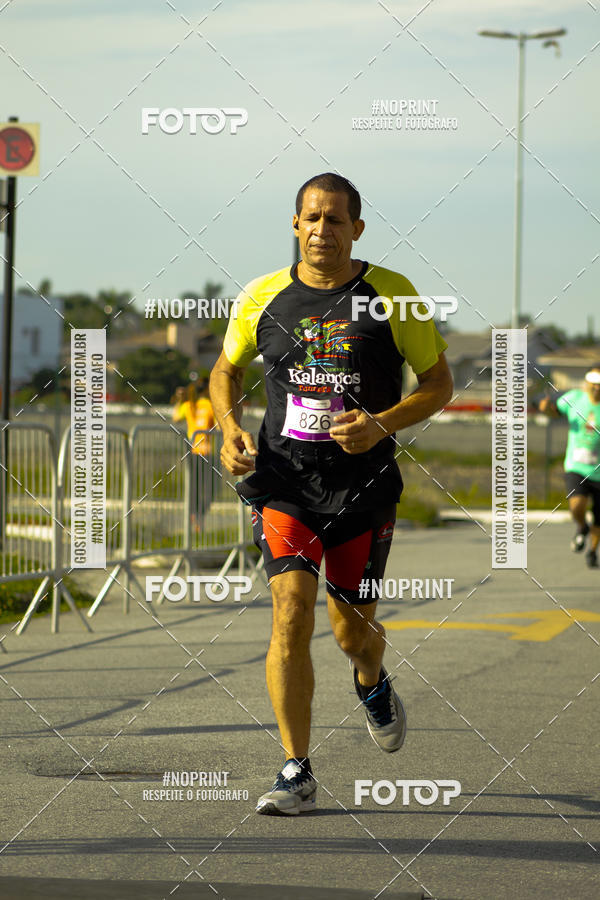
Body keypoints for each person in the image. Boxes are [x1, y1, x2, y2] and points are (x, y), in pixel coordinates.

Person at [209, 173, 453, 816]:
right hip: (284, 484)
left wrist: (380, 424)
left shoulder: (394, 295)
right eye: (312, 218)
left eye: (336, 220)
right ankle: (297, 769)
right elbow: (225, 369)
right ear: (296, 224)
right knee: (290, 612)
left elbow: (438, 384)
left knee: (353, 634)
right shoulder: (262, 295)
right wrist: (229, 428)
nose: (323, 231)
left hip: (362, 489)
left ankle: (371, 680)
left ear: (357, 229)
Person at [539, 364, 600, 567]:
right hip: (577, 467)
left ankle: (592, 551)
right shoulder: (574, 398)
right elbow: (554, 412)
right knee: (576, 505)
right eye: (594, 383)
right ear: (587, 383)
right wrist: (546, 408)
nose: (597, 388)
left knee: (599, 518)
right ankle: (582, 526)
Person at [173, 380, 216, 530]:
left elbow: (176, 418)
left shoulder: (188, 405)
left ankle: (195, 516)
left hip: (192, 452)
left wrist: (179, 399)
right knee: (210, 489)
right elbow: (219, 425)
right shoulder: (210, 406)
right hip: (207, 452)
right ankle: (199, 516)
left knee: (194, 487)